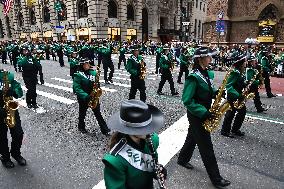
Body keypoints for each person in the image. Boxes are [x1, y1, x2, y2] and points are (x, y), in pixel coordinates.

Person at [177, 47, 231, 188]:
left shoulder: (205, 73)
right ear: (200, 59)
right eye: (208, 57)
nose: (211, 59)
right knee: (207, 147)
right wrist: (204, 112)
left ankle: (182, 159)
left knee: (192, 136)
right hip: (197, 115)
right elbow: (187, 100)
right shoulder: (193, 77)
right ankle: (216, 179)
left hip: (203, 112)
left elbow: (208, 89)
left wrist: (218, 92)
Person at [103, 99, 167, 189]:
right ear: (131, 130)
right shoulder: (115, 161)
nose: (150, 130)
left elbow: (150, 165)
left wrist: (159, 171)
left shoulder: (153, 140)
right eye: (144, 127)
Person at [73, 58, 110, 135]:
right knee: (82, 113)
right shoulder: (78, 75)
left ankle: (105, 129)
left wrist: (97, 87)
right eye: (86, 64)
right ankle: (81, 127)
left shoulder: (93, 73)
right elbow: (77, 88)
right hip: (84, 98)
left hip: (93, 96)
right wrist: (86, 96)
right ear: (82, 65)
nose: (88, 65)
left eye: (88, 63)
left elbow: (96, 83)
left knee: (98, 113)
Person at [0, 69, 26, 168]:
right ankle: (5, 157)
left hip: (10, 107)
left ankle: (16, 153)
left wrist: (14, 91)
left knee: (18, 134)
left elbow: (18, 88)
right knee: (2, 137)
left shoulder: (6, 75)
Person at [221, 53, 247, 138]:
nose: (246, 63)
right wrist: (237, 95)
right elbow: (228, 86)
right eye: (244, 61)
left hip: (238, 95)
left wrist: (245, 84)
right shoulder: (235, 72)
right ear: (240, 63)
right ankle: (225, 131)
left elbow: (238, 83)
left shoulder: (239, 72)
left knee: (240, 112)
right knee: (231, 113)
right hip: (233, 96)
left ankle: (234, 130)